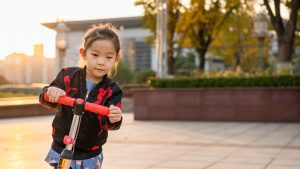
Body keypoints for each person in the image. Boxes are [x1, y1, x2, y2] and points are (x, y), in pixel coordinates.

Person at [39, 23, 123, 169]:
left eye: (109, 57)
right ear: (84, 53)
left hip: (89, 154)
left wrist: (114, 118)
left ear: (115, 58)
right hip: (61, 146)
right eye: (95, 55)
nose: (101, 62)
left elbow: (110, 120)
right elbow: (45, 97)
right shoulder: (67, 76)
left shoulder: (112, 90)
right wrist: (52, 93)